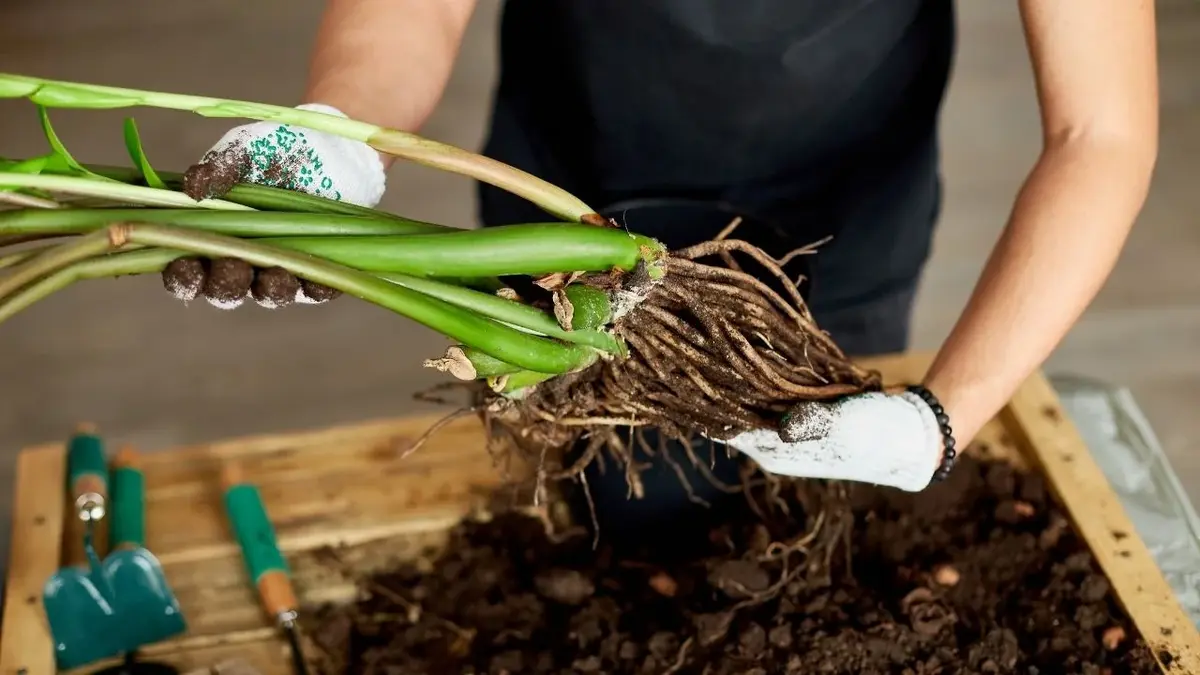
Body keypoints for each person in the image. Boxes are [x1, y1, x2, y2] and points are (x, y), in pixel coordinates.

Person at [186, 0, 1158, 501]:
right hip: (564, 212)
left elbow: (1099, 134)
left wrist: (943, 420)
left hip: (839, 229)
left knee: (801, 506)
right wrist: (341, 129)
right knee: (581, 499)